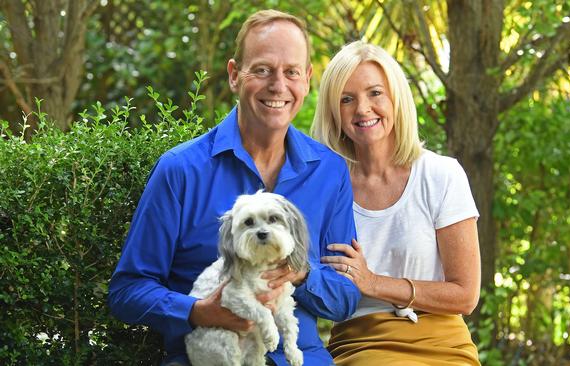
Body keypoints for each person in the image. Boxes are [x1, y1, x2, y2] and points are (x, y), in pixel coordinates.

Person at [108, 10, 360, 366]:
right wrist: (198, 311)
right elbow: (127, 291)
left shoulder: (329, 172)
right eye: (262, 70)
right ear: (233, 76)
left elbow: (345, 297)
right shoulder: (180, 170)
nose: (278, 85)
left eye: (291, 72)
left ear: (306, 80)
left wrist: (302, 273)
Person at [314, 41, 481, 365]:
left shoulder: (441, 174)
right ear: (334, 111)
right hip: (361, 345)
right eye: (347, 99)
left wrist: (374, 282)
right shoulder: (326, 188)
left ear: (396, 97)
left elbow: (465, 295)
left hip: (443, 345)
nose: (362, 109)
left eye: (375, 93)